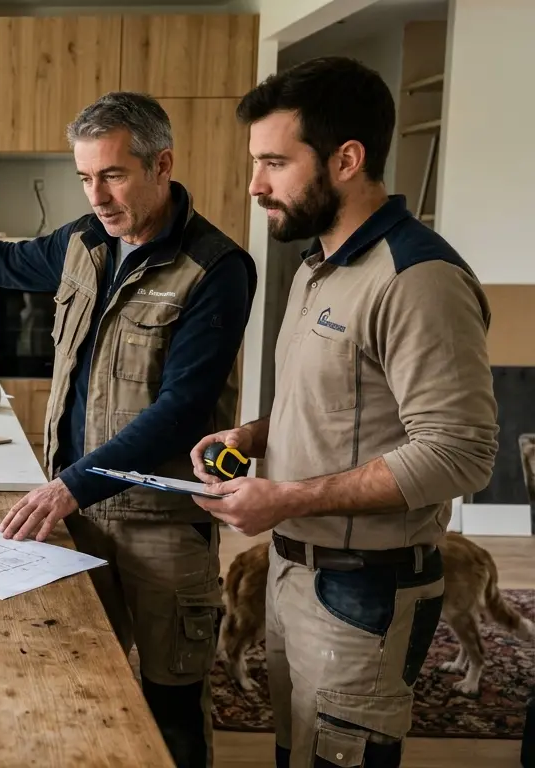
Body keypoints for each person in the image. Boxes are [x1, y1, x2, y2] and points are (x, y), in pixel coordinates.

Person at [0, 92, 256, 768]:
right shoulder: (83, 241)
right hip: (77, 516)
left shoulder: (215, 268)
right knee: (82, 684)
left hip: (161, 525)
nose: (97, 196)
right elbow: (3, 263)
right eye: (85, 177)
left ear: (162, 165)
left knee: (173, 706)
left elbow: (182, 410)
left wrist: (71, 485)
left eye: (113, 175)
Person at [189, 57, 498, 768]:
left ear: (347, 160)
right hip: (292, 571)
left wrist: (288, 497)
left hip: (365, 590)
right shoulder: (316, 267)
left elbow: (459, 452)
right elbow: (330, 407)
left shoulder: (419, 279)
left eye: (274, 163)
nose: (255, 184)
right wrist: (252, 436)